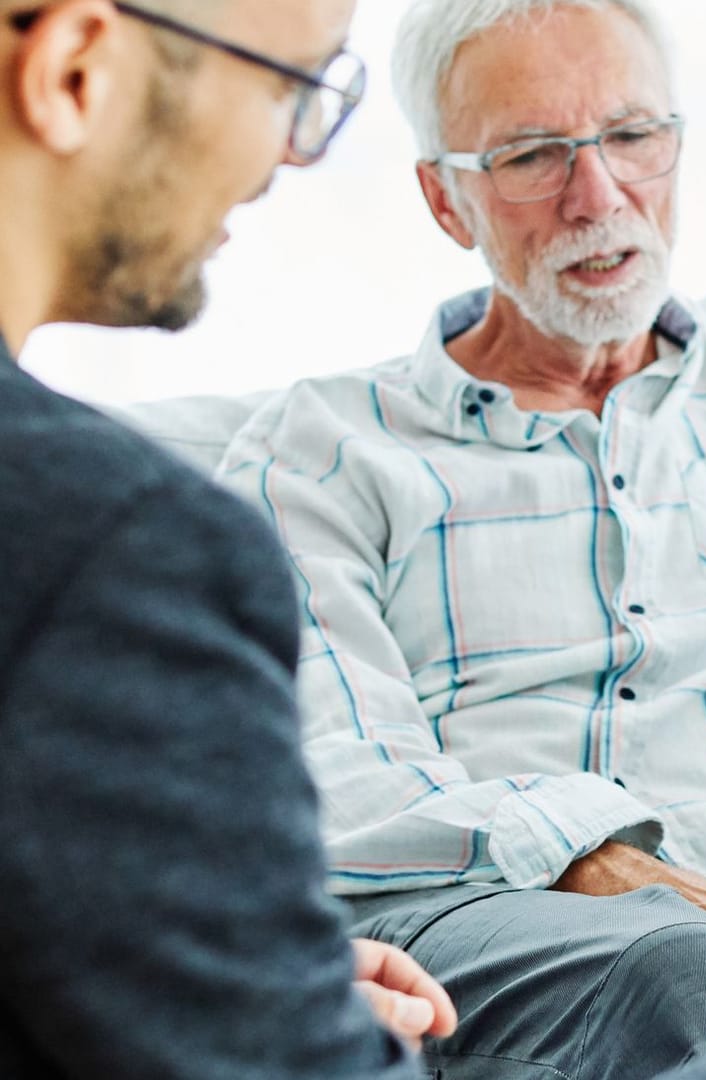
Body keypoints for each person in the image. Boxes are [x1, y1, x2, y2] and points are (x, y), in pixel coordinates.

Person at [1, 2, 706, 1078]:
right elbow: (334, 765)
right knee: (678, 960)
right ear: (444, 197)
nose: (599, 195)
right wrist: (600, 861)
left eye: (632, 137)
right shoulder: (321, 449)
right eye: (532, 155)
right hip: (477, 920)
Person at [0, 0, 453, 1074]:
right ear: (74, 71)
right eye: (288, 87)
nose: (284, 163)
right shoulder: (115, 547)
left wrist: (210, 970)